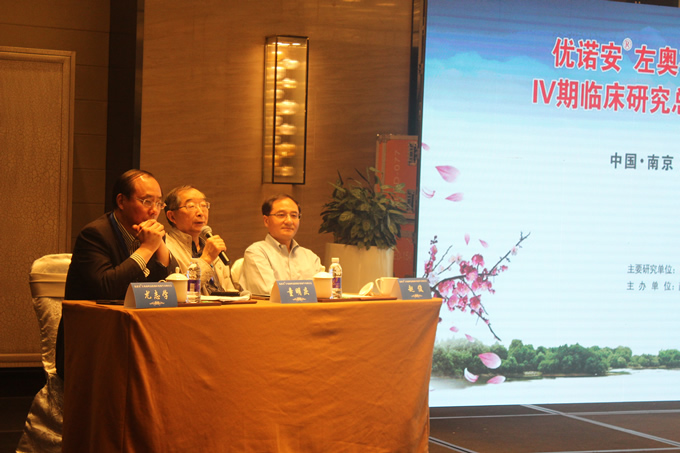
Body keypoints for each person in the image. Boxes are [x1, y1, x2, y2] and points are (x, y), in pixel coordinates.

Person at [57, 169, 177, 379]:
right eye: (147, 201)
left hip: (139, 337)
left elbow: (172, 283)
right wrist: (147, 249)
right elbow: (107, 288)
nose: (154, 211)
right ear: (121, 201)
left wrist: (158, 245)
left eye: (159, 203)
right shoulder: (95, 235)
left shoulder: (151, 236)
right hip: (92, 345)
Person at [239, 194, 322, 295]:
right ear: (266, 220)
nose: (289, 221)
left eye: (294, 215)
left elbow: (322, 292)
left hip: (309, 306)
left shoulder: (311, 257)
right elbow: (270, 292)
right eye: (281, 215)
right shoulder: (256, 253)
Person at [163, 185, 239, 294]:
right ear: (172, 216)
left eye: (204, 205)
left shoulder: (212, 248)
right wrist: (206, 259)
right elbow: (177, 293)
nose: (200, 213)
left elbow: (228, 290)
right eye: (191, 206)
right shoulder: (165, 248)